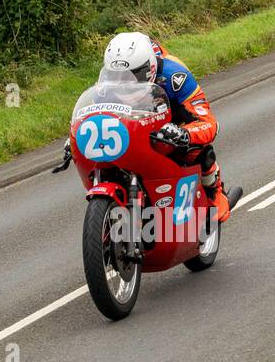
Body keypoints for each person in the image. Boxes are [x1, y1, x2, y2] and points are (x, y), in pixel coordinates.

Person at [102, 31, 242, 222]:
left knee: (196, 149)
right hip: (131, 123)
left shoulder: (176, 76)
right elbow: (96, 111)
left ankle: (214, 193)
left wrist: (184, 133)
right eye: (116, 76)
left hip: (171, 119)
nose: (125, 83)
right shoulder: (109, 80)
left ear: (149, 67)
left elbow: (209, 123)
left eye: (135, 76)